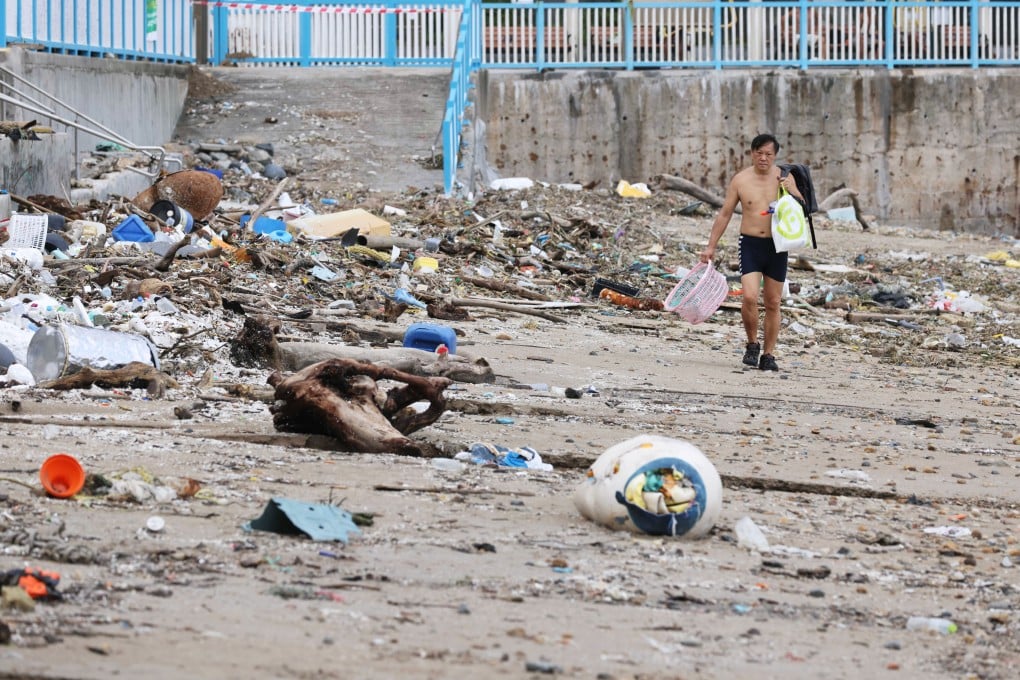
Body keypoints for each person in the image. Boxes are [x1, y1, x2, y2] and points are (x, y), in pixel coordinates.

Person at [699, 133, 803, 372]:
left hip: (777, 246)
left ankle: (768, 354)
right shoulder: (740, 180)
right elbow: (725, 213)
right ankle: (752, 344)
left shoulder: (785, 178)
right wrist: (711, 246)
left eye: (768, 154)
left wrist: (794, 192)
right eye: (759, 153)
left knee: (774, 302)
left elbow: (804, 208)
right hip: (750, 244)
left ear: (775, 156)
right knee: (748, 296)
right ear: (752, 153)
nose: (763, 158)